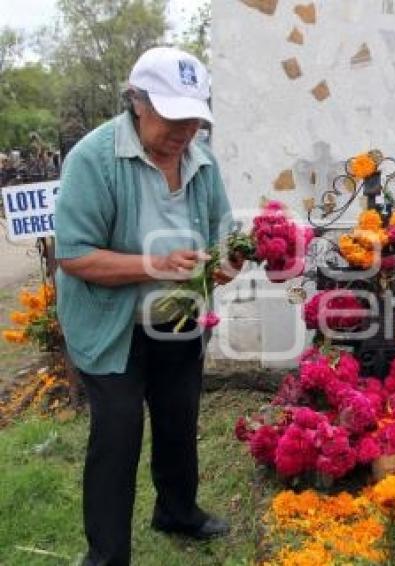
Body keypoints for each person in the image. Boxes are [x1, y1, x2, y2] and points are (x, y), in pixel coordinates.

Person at [55, 47, 235, 566]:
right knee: (118, 434)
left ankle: (177, 511)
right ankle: (107, 556)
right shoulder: (94, 159)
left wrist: (229, 260)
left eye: (195, 119)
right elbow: (74, 255)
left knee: (179, 420)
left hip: (176, 321)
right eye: (173, 118)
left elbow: (222, 231)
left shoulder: (201, 159)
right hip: (111, 326)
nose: (185, 131)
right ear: (137, 102)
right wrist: (156, 264)